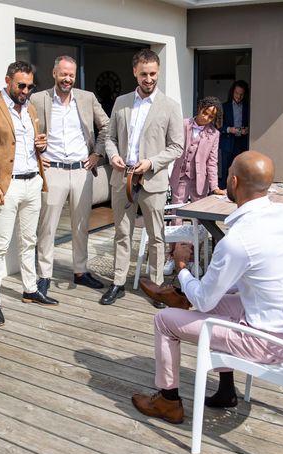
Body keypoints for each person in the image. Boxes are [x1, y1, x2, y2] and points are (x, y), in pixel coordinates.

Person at [132, 151, 283, 424]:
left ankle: (168, 402)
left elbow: (204, 301)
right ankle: (225, 389)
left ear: (234, 182)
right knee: (218, 296)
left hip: (268, 342)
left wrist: (181, 267)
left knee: (164, 320)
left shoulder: (239, 239)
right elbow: (253, 277)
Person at [0, 60, 58, 327]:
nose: (25, 91)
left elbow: (24, 147)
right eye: (21, 85)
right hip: (5, 187)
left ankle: (30, 289)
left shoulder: (30, 108)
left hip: (33, 181)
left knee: (29, 240)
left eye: (30, 87)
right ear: (8, 80)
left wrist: (40, 147)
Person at [100, 49, 184, 307]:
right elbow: (110, 138)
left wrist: (151, 163)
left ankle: (157, 286)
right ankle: (118, 283)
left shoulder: (170, 106)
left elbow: (177, 146)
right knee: (121, 234)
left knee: (156, 237)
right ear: (135, 72)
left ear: (158, 72)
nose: (149, 79)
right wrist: (113, 155)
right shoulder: (121, 102)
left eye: (153, 74)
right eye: (144, 74)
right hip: (121, 179)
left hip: (152, 181)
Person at [30, 56, 110, 297]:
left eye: (71, 75)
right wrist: (35, 155)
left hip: (81, 171)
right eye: (63, 74)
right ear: (54, 73)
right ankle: (44, 275)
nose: (67, 78)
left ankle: (80, 270)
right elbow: (24, 130)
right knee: (47, 226)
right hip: (52, 169)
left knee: (80, 224)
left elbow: (106, 126)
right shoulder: (37, 99)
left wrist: (97, 153)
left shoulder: (87, 98)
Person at [164, 96, 225, 274]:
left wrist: (214, 187)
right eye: (205, 113)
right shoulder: (182, 124)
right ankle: (172, 255)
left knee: (197, 220)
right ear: (200, 108)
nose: (206, 118)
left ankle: (192, 258)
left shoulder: (214, 134)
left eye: (211, 117)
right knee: (176, 215)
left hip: (200, 181)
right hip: (180, 177)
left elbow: (212, 162)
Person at [218, 80, 249, 189]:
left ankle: (238, 192)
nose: (238, 96)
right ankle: (223, 191)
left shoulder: (248, 107)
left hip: (242, 142)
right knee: (226, 169)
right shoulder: (223, 107)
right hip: (227, 142)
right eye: (236, 93)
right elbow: (217, 126)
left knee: (241, 169)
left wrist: (248, 129)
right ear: (232, 92)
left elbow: (253, 122)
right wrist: (229, 129)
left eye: (241, 94)